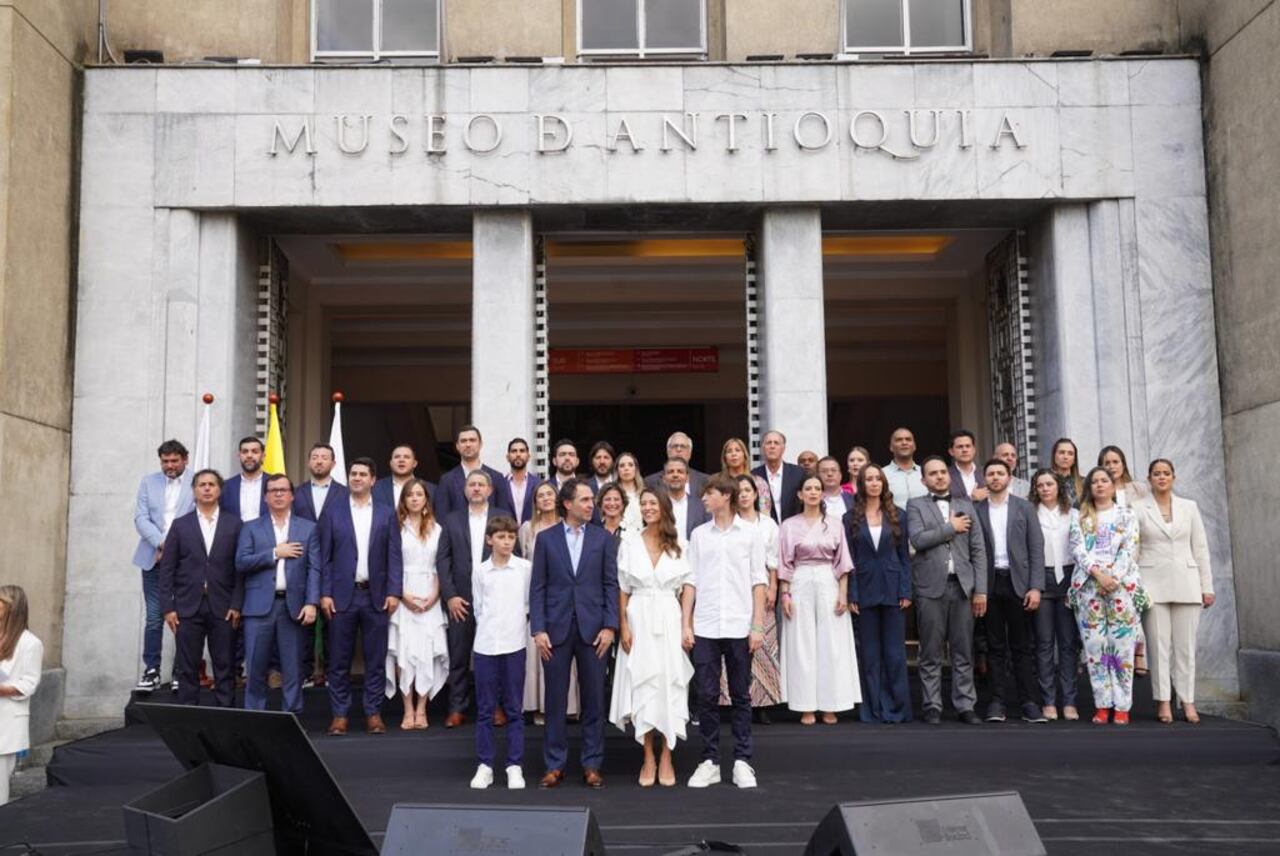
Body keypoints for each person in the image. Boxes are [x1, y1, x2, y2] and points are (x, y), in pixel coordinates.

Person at [531, 479, 619, 790]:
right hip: (554, 630)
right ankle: (555, 765)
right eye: (584, 499)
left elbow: (611, 584)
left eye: (591, 500)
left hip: (594, 631)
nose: (590, 504)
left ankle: (591, 764)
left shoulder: (603, 539)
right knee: (555, 701)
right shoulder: (545, 539)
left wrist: (610, 626)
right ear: (566, 504)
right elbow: (537, 587)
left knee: (594, 700)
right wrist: (538, 629)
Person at [682, 475, 767, 789]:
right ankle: (710, 760)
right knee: (706, 695)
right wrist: (685, 623)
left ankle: (743, 760)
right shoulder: (699, 534)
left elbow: (759, 581)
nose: (704, 500)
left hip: (739, 623)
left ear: (726, 496)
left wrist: (757, 625)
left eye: (709, 494)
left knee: (741, 695)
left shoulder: (751, 534)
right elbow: (691, 581)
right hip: (705, 624)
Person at [609, 488, 695, 788]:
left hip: (670, 618)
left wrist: (686, 625)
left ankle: (667, 754)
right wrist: (624, 626)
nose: (647, 508)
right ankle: (648, 755)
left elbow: (688, 586)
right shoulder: (629, 543)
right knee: (643, 686)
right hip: (639, 616)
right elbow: (622, 587)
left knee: (669, 684)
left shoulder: (680, 544)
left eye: (652, 503)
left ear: (663, 507)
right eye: (643, 503)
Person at [319, 458, 403, 736]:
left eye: (362, 474)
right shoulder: (333, 511)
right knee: (339, 660)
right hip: (341, 597)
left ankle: (373, 713)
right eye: (353, 474)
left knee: (375, 659)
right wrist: (325, 593)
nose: (356, 478)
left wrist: (393, 592)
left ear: (373, 480)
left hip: (376, 596)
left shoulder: (386, 512)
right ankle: (340, 715)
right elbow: (325, 557)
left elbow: (394, 556)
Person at [907, 456, 988, 725]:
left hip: (963, 587)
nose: (940, 476)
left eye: (943, 472)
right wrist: (950, 528)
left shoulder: (966, 505)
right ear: (924, 479)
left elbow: (978, 550)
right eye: (933, 473)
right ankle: (932, 705)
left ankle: (965, 705)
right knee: (930, 651)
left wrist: (981, 590)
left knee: (963, 650)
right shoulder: (915, 505)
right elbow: (918, 539)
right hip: (930, 587)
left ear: (949, 476)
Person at [1135, 459, 1214, 724]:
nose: (1161, 478)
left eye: (1166, 473)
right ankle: (1163, 702)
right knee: (1158, 647)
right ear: (1149, 478)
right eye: (1156, 474)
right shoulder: (1137, 508)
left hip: (1187, 582)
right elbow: (1133, 549)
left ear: (1173, 477)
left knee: (1185, 647)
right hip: (1152, 583)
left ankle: (1188, 700)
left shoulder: (1189, 507)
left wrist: (1207, 586)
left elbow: (1200, 548)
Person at [234, 473, 320, 712]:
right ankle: (255, 716)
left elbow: (315, 568)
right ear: (265, 497)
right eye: (273, 491)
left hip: (293, 607)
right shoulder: (251, 528)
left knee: (293, 667)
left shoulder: (308, 528)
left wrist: (312, 602)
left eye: (283, 490)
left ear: (292, 495)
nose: (279, 494)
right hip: (258, 607)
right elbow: (241, 562)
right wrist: (274, 553)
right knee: (255, 666)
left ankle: (292, 715)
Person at [158, 469, 244, 707]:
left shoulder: (234, 524)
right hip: (187, 608)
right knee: (187, 668)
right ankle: (189, 720)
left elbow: (240, 569)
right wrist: (168, 608)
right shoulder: (180, 525)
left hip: (224, 607)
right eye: (202, 485)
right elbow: (167, 570)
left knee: (225, 667)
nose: (207, 488)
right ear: (194, 491)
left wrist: (237, 604)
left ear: (220, 490)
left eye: (212, 484)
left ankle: (225, 716)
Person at [778, 475, 859, 724]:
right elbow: (784, 562)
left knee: (831, 643)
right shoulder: (789, 526)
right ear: (800, 495)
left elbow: (843, 562)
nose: (813, 492)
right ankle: (806, 705)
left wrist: (843, 593)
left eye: (817, 488)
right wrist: (785, 594)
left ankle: (831, 704)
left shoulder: (835, 524)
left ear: (823, 494)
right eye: (808, 489)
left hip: (828, 579)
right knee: (802, 644)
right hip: (799, 580)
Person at [1068, 466, 1146, 725]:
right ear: (1089, 488)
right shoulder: (1079, 517)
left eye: (1105, 481)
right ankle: (1102, 704)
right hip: (1089, 586)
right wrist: (1098, 575)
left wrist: (1112, 577)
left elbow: (1130, 548)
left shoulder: (1127, 515)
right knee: (1095, 648)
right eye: (1095, 482)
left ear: (1113, 486)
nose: (1100, 485)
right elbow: (1077, 549)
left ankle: (1122, 706)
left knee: (1121, 647)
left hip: (1121, 587)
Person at [974, 459, 1045, 723]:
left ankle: (1029, 702)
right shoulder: (976, 509)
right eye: (990, 473)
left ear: (1009, 477)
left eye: (1000, 473)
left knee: (1022, 646)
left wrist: (1035, 587)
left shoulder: (1024, 508)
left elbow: (1036, 548)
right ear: (985, 478)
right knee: (994, 647)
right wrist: (977, 590)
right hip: (989, 584)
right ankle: (996, 702)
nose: (995, 477)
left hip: (1019, 583)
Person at [438, 470, 509, 728]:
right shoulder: (451, 519)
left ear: (490, 490)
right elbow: (442, 559)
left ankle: (494, 707)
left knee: (493, 656)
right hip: (461, 600)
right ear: (465, 491)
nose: (476, 488)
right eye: (472, 485)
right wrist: (451, 596)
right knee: (458, 656)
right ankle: (457, 707)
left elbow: (514, 556)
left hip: (494, 600)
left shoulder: (502, 517)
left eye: (481, 484)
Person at [845, 465, 912, 724]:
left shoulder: (899, 515)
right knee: (869, 654)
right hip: (864, 589)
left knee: (895, 654)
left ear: (884, 483)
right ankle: (873, 709)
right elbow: (848, 560)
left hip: (893, 589)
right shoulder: (850, 518)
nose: (874, 483)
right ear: (862, 485)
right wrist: (852, 594)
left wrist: (906, 589)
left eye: (877, 479)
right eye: (869, 479)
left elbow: (905, 557)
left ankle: (897, 709)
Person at [470, 516, 532, 790]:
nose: (507, 542)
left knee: (514, 708)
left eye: (511, 537)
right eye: (501, 537)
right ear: (489, 540)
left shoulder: (525, 569)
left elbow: (528, 604)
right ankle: (485, 765)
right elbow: (478, 607)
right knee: (485, 709)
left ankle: (514, 765)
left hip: (514, 645)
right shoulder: (481, 571)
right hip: (485, 646)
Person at [132, 439, 194, 692]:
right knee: (155, 618)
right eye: (165, 461)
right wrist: (161, 544)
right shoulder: (148, 482)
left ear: (185, 459)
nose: (169, 465)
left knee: (184, 617)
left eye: (174, 461)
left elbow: (197, 516)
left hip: (186, 561)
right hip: (153, 559)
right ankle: (152, 670)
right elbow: (140, 517)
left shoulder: (197, 481)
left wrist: (173, 549)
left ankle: (181, 670)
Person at [720, 475, 784, 721]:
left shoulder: (767, 524)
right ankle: (731, 701)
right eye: (740, 490)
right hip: (734, 589)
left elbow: (774, 559)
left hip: (762, 588)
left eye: (748, 490)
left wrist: (773, 586)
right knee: (733, 646)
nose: (744, 494)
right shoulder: (728, 522)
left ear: (756, 494)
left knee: (763, 645)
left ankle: (763, 703)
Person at [386, 479, 448, 730]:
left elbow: (441, 565)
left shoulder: (437, 529)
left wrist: (434, 596)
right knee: (404, 652)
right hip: (403, 593)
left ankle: (422, 709)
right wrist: (402, 595)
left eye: (419, 494)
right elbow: (390, 564)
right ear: (403, 500)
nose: (414, 498)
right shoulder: (395, 528)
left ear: (425, 500)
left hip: (431, 593)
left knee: (426, 652)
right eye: (409, 494)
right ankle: (408, 709)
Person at [518, 482, 579, 724]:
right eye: (540, 495)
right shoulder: (527, 528)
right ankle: (540, 707)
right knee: (540, 651)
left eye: (549, 494)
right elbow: (522, 562)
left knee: (566, 649)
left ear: (558, 499)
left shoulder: (567, 527)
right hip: (538, 593)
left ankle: (569, 707)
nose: (544, 498)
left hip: (565, 596)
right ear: (534, 502)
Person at [1030, 469, 1080, 721]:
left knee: (1069, 644)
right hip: (1042, 579)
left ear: (1058, 486)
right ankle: (1048, 701)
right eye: (1040, 485)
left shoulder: (1074, 515)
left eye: (1049, 484)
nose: (1045, 489)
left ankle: (1069, 700)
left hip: (1070, 579)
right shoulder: (1030, 514)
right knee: (1044, 643)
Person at [0, 585, 44, 807]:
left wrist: (2, 688)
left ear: (11, 607)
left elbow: (29, 684)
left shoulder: (30, 643)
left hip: (6, 721)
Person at [434, 427, 516, 519]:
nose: (468, 444)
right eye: (463, 441)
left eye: (472, 440)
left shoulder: (497, 477)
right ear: (457, 446)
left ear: (480, 444)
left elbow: (504, 515)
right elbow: (442, 517)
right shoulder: (446, 480)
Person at [753, 429, 804, 523]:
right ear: (763, 448)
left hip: (794, 530)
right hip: (765, 531)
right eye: (768, 443)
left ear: (783, 448)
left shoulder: (799, 473)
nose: (772, 446)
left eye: (776, 443)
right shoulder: (754, 475)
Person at [720, 437, 773, 520]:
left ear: (745, 455)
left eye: (738, 450)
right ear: (724, 458)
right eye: (729, 451)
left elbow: (765, 513)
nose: (734, 454)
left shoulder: (759, 482)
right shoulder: (719, 484)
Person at [293, 442, 348, 523]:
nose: (319, 461)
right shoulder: (296, 492)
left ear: (333, 464)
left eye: (324, 458)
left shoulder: (344, 493)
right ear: (308, 463)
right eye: (315, 458)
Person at [645, 432, 708, 497]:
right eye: (675, 446)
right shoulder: (650, 482)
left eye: (683, 446)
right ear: (668, 451)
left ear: (690, 453)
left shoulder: (705, 481)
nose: (678, 449)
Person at [373, 444, 432, 512]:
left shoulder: (431, 489)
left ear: (414, 463)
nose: (401, 460)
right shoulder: (375, 487)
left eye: (406, 457)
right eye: (397, 457)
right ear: (391, 463)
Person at [664, 457, 709, 544]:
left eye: (680, 471)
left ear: (687, 478)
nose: (675, 475)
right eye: (670, 472)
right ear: (664, 478)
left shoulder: (702, 506)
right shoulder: (657, 505)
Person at [221, 436, 267, 521]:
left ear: (263, 456)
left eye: (255, 452)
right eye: (245, 452)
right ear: (239, 456)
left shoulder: (274, 484)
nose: (249, 455)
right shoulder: (226, 486)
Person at [884, 427, 927, 510]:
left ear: (914, 446)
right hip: (893, 522)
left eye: (908, 439)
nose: (904, 442)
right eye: (899, 440)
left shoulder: (925, 473)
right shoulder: (881, 474)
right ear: (891, 447)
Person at [505, 437, 542, 527]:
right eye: (514, 451)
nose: (518, 454)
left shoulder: (539, 484)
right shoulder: (500, 484)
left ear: (528, 456)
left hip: (532, 534)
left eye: (522, 451)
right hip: (507, 535)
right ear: (508, 457)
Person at [947, 429, 987, 501]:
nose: (964, 450)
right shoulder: (945, 475)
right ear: (951, 451)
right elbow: (944, 504)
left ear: (974, 450)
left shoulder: (986, 472)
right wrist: (971, 498)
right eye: (960, 447)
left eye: (968, 446)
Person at [614, 452, 646, 531]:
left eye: (630, 465)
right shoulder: (612, 493)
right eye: (622, 466)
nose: (626, 468)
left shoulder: (645, 493)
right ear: (617, 470)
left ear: (636, 469)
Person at [816, 456, 853, 523]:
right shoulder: (813, 500)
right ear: (818, 476)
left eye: (833, 470)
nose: (830, 474)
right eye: (824, 471)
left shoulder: (853, 500)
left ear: (840, 475)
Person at [1050, 438, 1085, 507]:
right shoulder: (1046, 482)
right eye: (1062, 452)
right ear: (1054, 456)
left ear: (1074, 459)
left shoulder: (1084, 483)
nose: (1065, 457)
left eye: (1070, 453)